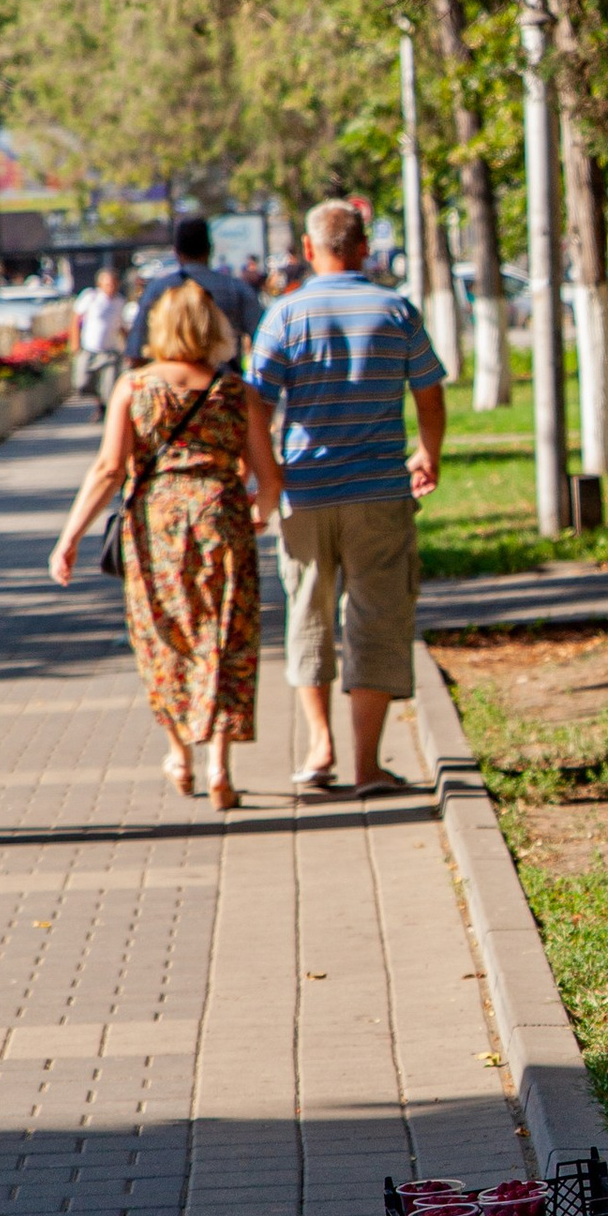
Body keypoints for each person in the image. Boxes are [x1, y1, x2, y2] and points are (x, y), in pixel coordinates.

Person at [48, 279, 279, 809]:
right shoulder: (238, 393)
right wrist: (257, 517)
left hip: (155, 528)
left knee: (163, 636)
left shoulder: (134, 386)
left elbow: (109, 469)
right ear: (212, 328)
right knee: (225, 636)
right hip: (223, 520)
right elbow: (268, 478)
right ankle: (220, 764)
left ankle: (180, 754)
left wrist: (70, 538)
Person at [246, 198, 446, 797]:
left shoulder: (284, 314)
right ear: (362, 247)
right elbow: (429, 394)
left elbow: (255, 400)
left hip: (304, 496)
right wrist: (428, 451)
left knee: (308, 615)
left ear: (308, 250)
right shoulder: (397, 311)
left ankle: (319, 748)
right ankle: (367, 765)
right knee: (377, 619)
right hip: (379, 493)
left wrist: (271, 476)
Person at [122, 214, 263, 366]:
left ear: (176, 252)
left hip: (170, 384)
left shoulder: (157, 290)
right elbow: (264, 340)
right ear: (210, 249)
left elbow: (135, 351)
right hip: (223, 384)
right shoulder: (235, 289)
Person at [75, 268, 130, 407]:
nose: (111, 288)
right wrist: (75, 342)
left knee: (109, 387)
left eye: (113, 284)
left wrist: (128, 347)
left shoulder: (120, 302)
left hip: (109, 350)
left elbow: (122, 327)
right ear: (100, 284)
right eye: (107, 284)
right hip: (90, 348)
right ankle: (97, 398)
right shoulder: (91, 297)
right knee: (82, 383)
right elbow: (76, 319)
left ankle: (105, 408)